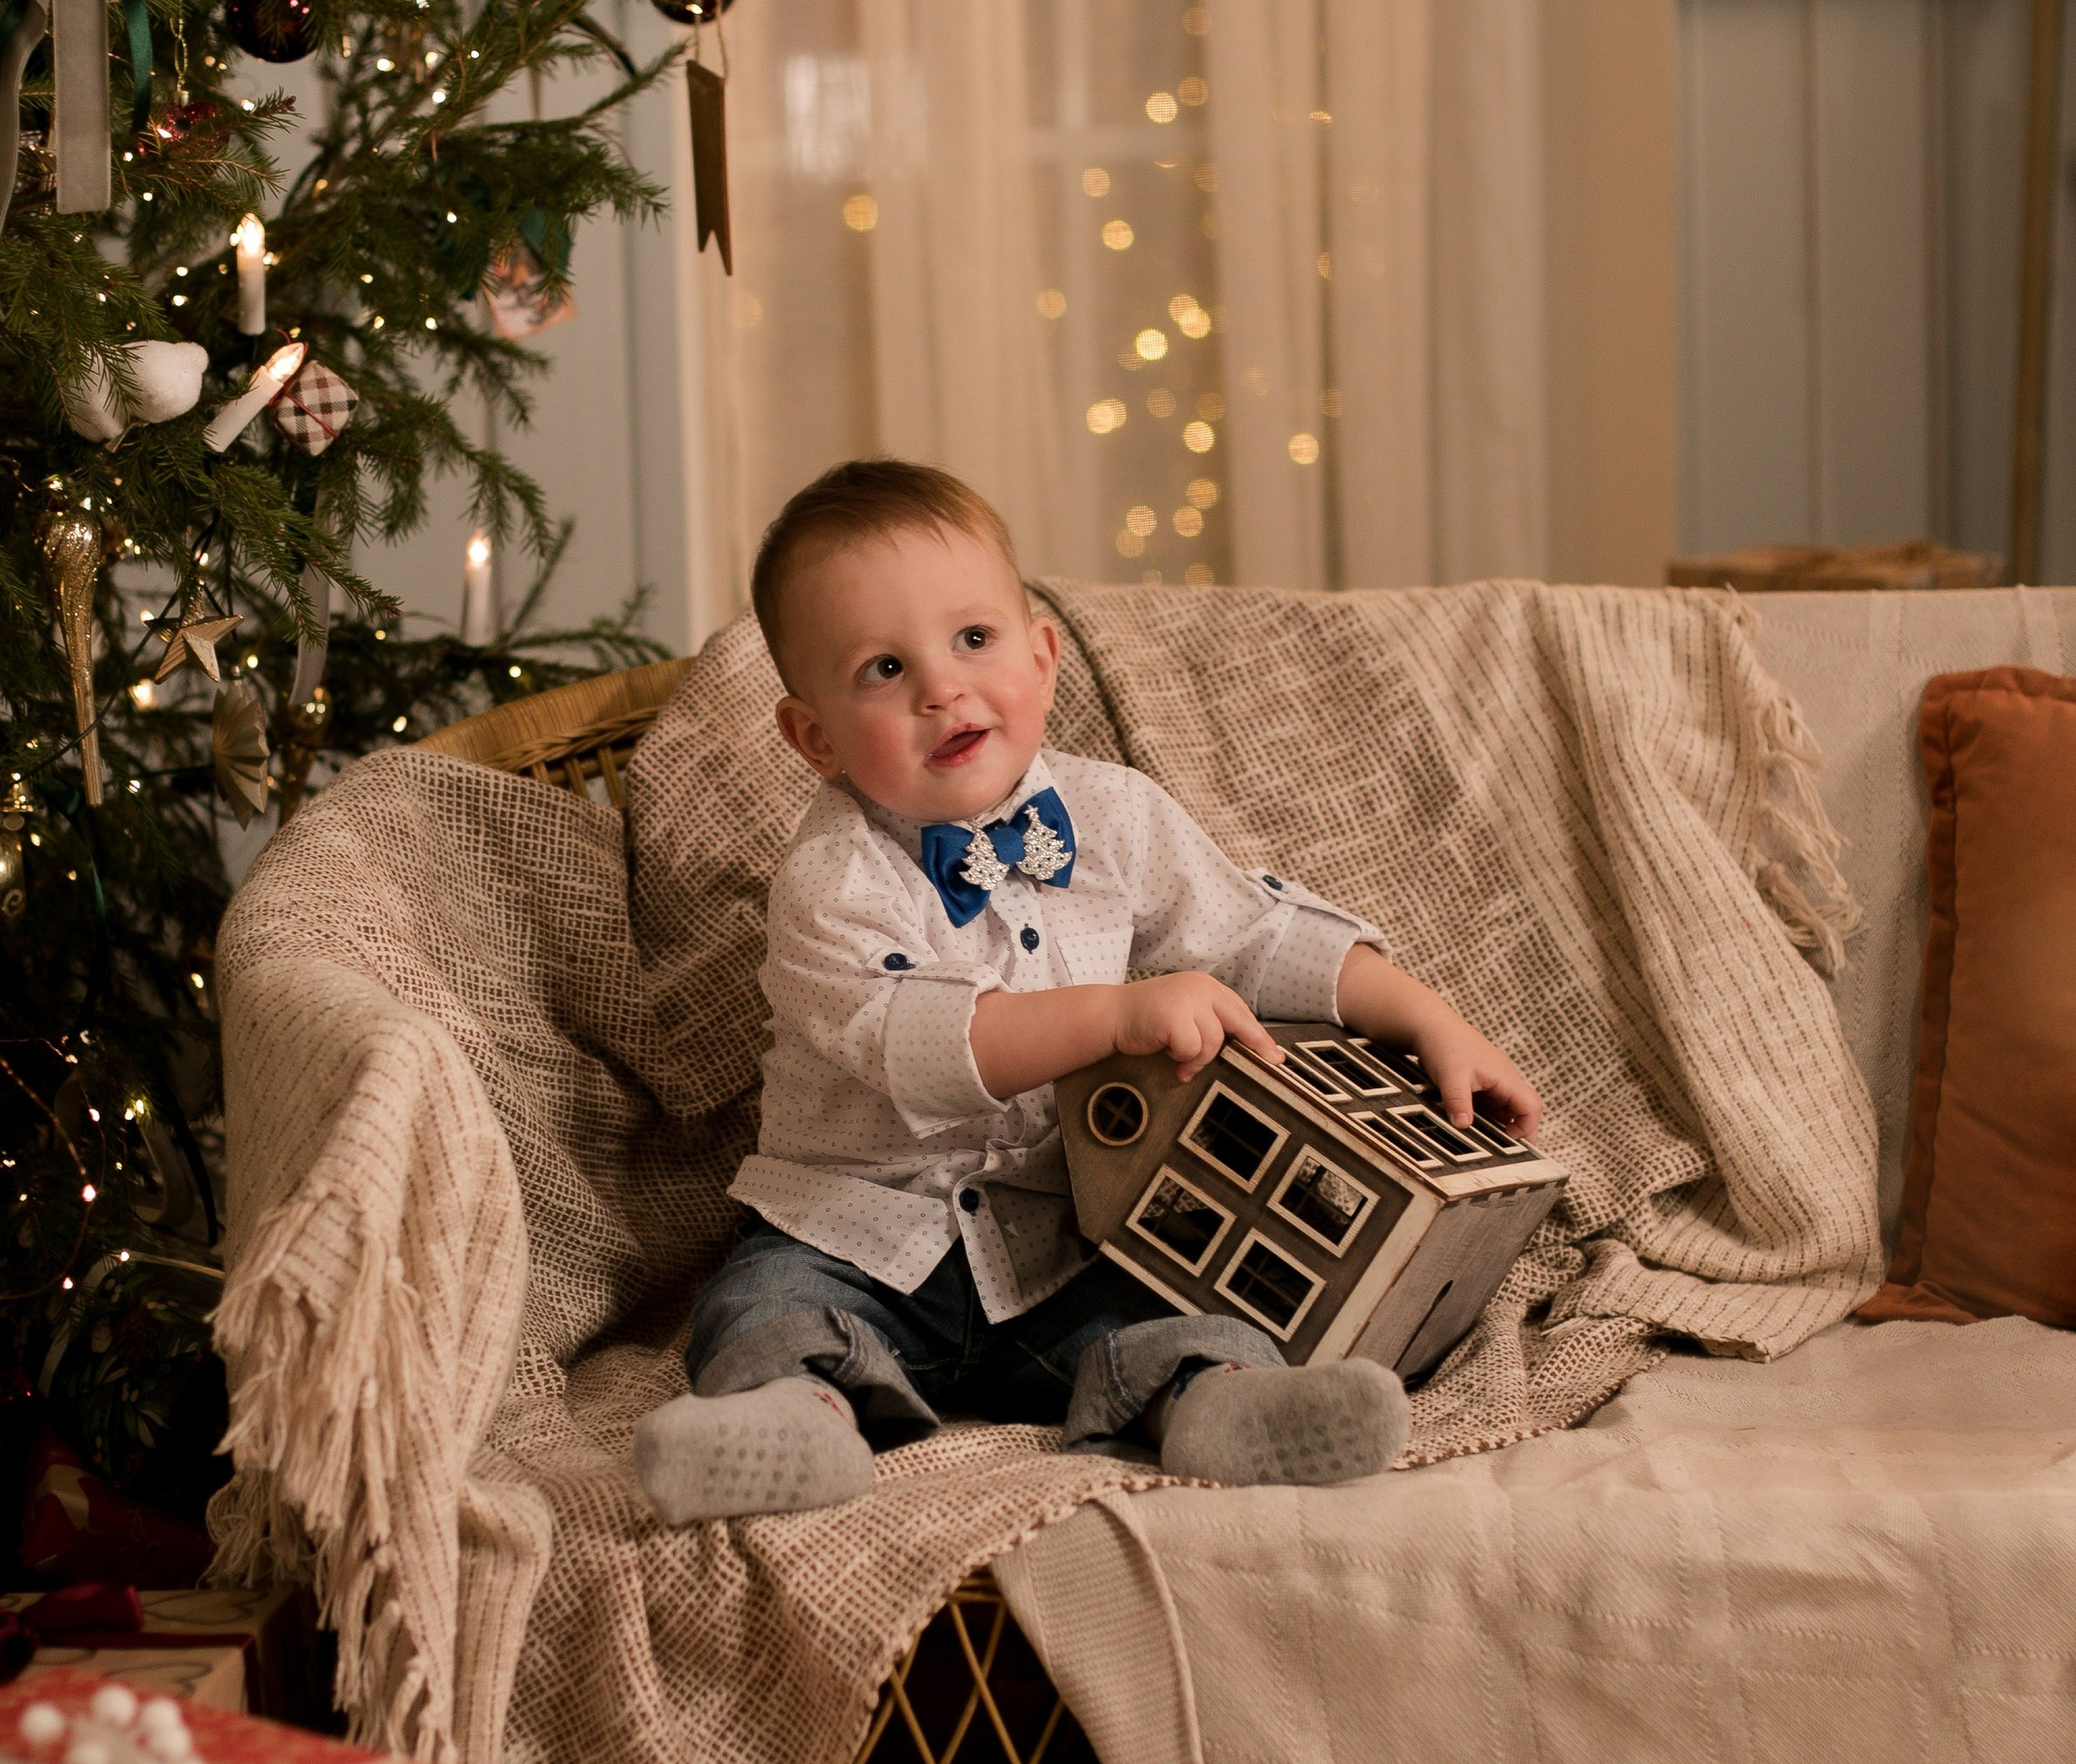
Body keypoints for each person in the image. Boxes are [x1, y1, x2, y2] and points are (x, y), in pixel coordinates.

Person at [633, 460, 1541, 1525]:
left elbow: (1256, 935)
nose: (942, 688)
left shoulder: (1114, 817)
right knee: (760, 1308)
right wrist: (1111, 1015)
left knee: (1184, 1304)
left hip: (1066, 1242)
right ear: (815, 737)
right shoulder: (832, 877)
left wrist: (1428, 1015)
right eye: (884, 667)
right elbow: (915, 1044)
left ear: (1043, 655)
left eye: (973, 640)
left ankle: (1221, 1406)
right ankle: (798, 1424)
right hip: (858, 1234)